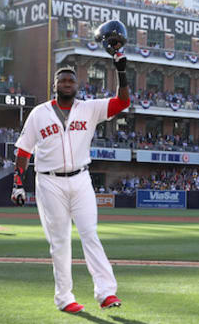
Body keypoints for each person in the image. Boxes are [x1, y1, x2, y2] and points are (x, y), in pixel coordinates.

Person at [11, 20, 131, 314]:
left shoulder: (88, 108)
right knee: (60, 240)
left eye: (71, 81)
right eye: (63, 80)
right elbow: (24, 150)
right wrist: (17, 183)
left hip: (80, 179)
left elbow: (122, 102)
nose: (67, 83)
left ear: (77, 86)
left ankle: (106, 293)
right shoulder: (39, 114)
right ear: (55, 86)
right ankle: (64, 298)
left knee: (90, 233)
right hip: (49, 181)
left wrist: (120, 68)